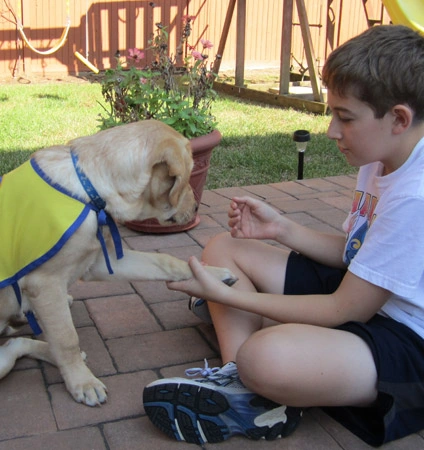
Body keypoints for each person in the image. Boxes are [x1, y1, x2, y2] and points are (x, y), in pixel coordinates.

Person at [143, 24, 424, 447]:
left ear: (398, 118)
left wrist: (231, 298)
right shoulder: (383, 154)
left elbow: (342, 308)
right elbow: (356, 255)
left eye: (345, 118)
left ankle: (254, 374)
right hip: (371, 298)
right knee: (225, 249)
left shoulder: (416, 196)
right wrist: (283, 229)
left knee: (267, 355)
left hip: (408, 342)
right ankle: (244, 389)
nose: (332, 130)